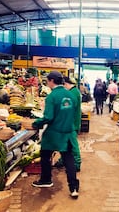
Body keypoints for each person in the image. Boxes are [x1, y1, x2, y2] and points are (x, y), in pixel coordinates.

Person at [32, 71, 80, 199]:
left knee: (45, 155)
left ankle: (46, 180)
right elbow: (74, 112)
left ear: (52, 81)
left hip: (54, 134)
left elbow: (48, 117)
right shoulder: (71, 96)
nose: (47, 83)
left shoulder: (52, 97)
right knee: (69, 159)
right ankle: (74, 188)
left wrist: (36, 123)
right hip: (68, 133)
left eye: (47, 81)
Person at [63, 77, 82, 172]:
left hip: (71, 124)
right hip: (71, 122)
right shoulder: (74, 91)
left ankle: (76, 164)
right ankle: (63, 160)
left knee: (73, 145)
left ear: (65, 84)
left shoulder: (72, 93)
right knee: (66, 144)